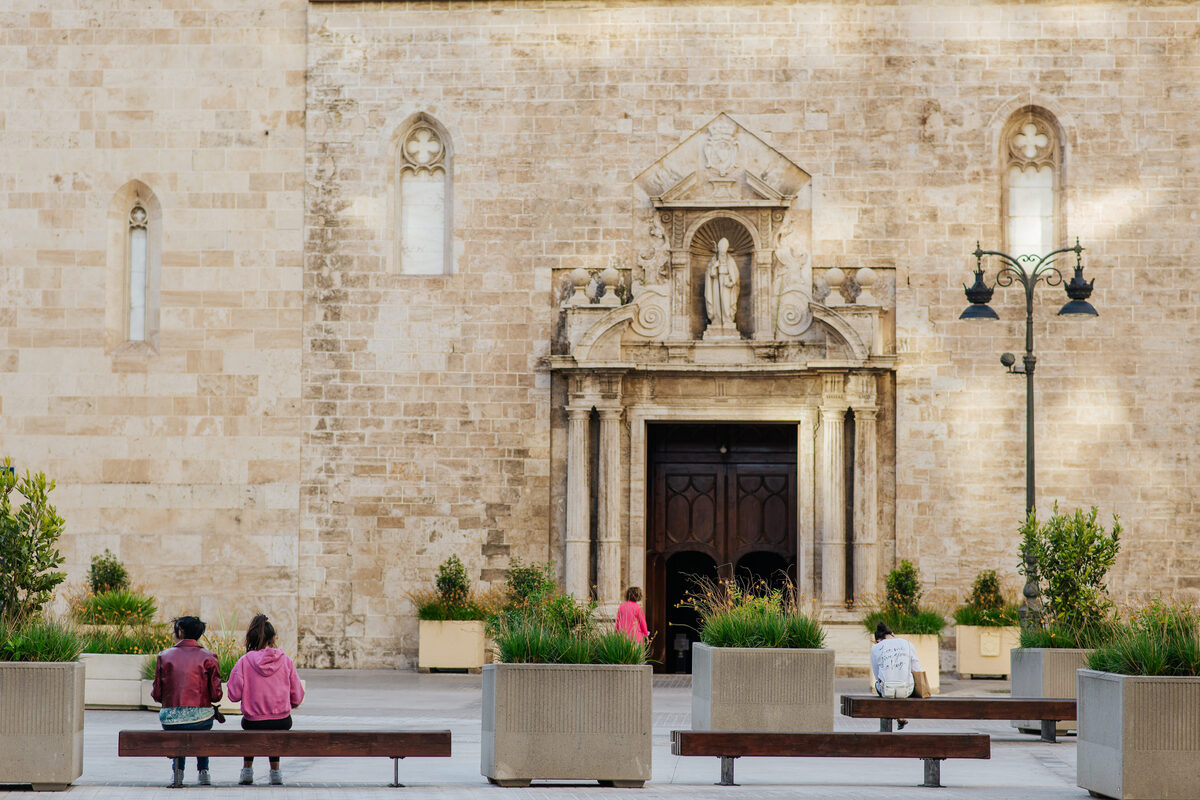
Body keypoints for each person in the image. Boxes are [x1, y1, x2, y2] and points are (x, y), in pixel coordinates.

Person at [226, 614, 305, 786]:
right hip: (282, 720)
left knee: (251, 724)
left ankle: (247, 770)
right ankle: (275, 772)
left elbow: (233, 695)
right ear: (274, 638)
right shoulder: (286, 661)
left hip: (253, 722)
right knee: (274, 727)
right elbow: (297, 696)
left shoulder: (245, 661)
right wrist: (289, 703)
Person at [151, 615, 223, 788]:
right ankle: (203, 771)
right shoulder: (209, 657)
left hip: (171, 720)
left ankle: (178, 771)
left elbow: (157, 695)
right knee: (201, 725)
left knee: (178, 726)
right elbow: (216, 696)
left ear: (180, 632)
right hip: (201, 720)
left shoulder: (164, 656)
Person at [869, 621, 924, 730]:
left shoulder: (875, 648)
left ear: (878, 640)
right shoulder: (907, 644)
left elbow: (877, 674)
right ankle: (900, 715)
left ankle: (895, 720)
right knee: (899, 688)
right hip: (907, 690)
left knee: (880, 686)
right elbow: (917, 669)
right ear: (892, 634)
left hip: (886, 691)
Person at [704, 237, 740, 327]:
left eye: (724, 248)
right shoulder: (714, 259)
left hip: (726, 284)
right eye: (721, 248)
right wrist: (714, 267)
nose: (722, 252)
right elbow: (710, 274)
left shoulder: (730, 260)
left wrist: (731, 282)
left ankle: (727, 319)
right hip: (716, 282)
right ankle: (717, 320)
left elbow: (735, 274)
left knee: (726, 302)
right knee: (716, 302)